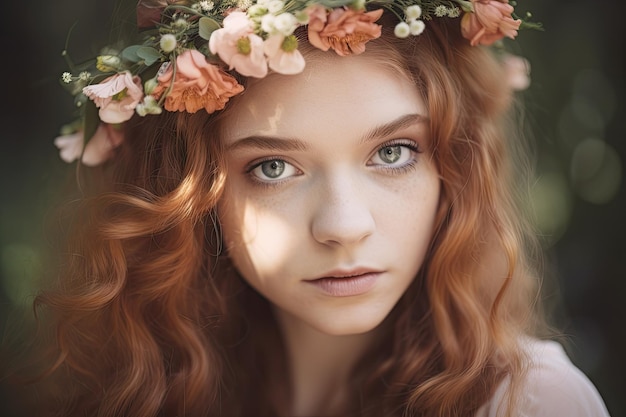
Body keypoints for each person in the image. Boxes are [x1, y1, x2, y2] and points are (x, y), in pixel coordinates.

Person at [9, 0, 611, 416]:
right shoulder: (138, 394)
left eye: (394, 151)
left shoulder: (530, 403)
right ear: (190, 198)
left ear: (454, 165)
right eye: (273, 167)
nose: (344, 227)